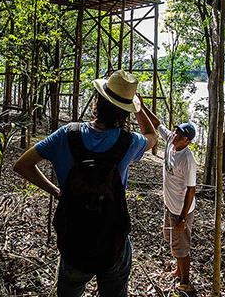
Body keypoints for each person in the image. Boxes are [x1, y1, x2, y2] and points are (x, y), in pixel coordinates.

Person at [12, 70, 158, 297]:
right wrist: (136, 104)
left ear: (98, 100)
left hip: (74, 239)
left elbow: (22, 165)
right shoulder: (129, 143)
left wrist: (56, 191)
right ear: (125, 112)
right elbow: (152, 134)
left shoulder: (66, 135)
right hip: (113, 242)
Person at [139, 97, 197, 293]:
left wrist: (182, 218)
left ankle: (185, 281)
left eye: (181, 135)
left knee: (182, 246)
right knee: (172, 241)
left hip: (182, 209)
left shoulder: (188, 159)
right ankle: (178, 270)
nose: (176, 135)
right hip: (169, 204)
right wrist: (141, 105)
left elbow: (191, 190)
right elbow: (156, 123)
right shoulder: (172, 141)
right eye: (177, 131)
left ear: (188, 141)